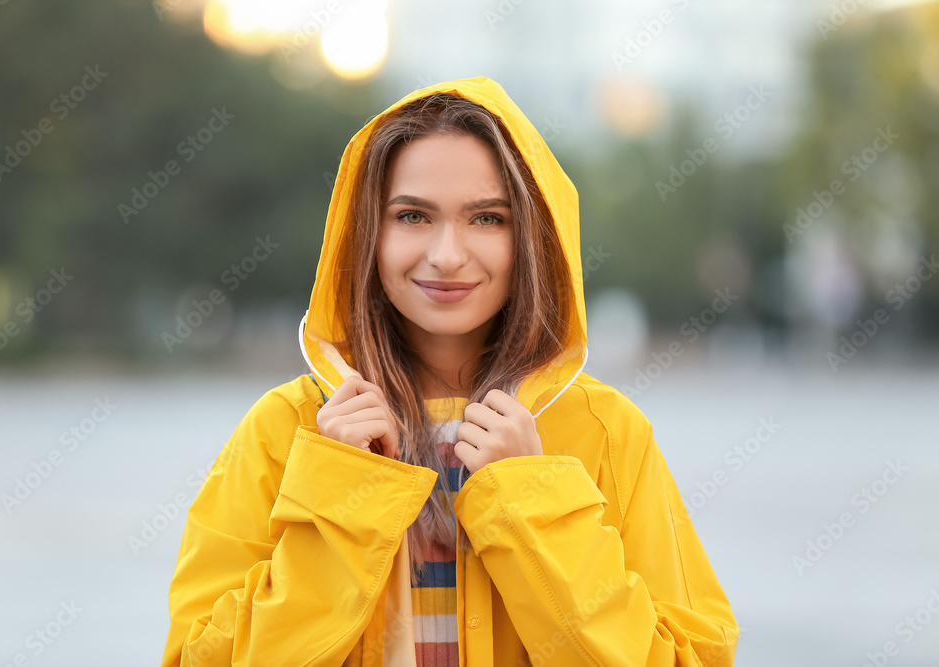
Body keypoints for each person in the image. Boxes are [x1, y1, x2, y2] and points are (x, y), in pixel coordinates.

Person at [161, 76, 739, 666]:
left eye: (487, 219)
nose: (445, 254)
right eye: (412, 216)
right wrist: (338, 499)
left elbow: (687, 658)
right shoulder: (287, 429)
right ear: (367, 234)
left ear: (533, 239)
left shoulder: (607, 432)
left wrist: (528, 500)